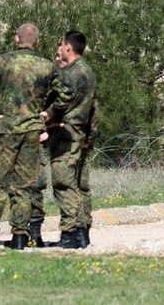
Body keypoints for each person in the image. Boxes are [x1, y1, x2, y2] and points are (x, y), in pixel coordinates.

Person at [0, 22, 53, 250]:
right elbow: (61, 93)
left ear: (16, 40)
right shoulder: (46, 66)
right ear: (37, 42)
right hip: (32, 130)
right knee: (24, 185)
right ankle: (19, 235)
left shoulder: (2, 61)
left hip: (6, 128)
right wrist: (47, 114)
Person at [45, 29, 97, 249]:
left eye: (61, 45)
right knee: (80, 185)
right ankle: (83, 231)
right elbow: (94, 108)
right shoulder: (89, 72)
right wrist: (91, 136)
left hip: (66, 133)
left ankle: (69, 234)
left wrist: (47, 116)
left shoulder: (68, 74)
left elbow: (57, 103)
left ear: (68, 46)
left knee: (63, 183)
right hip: (83, 134)